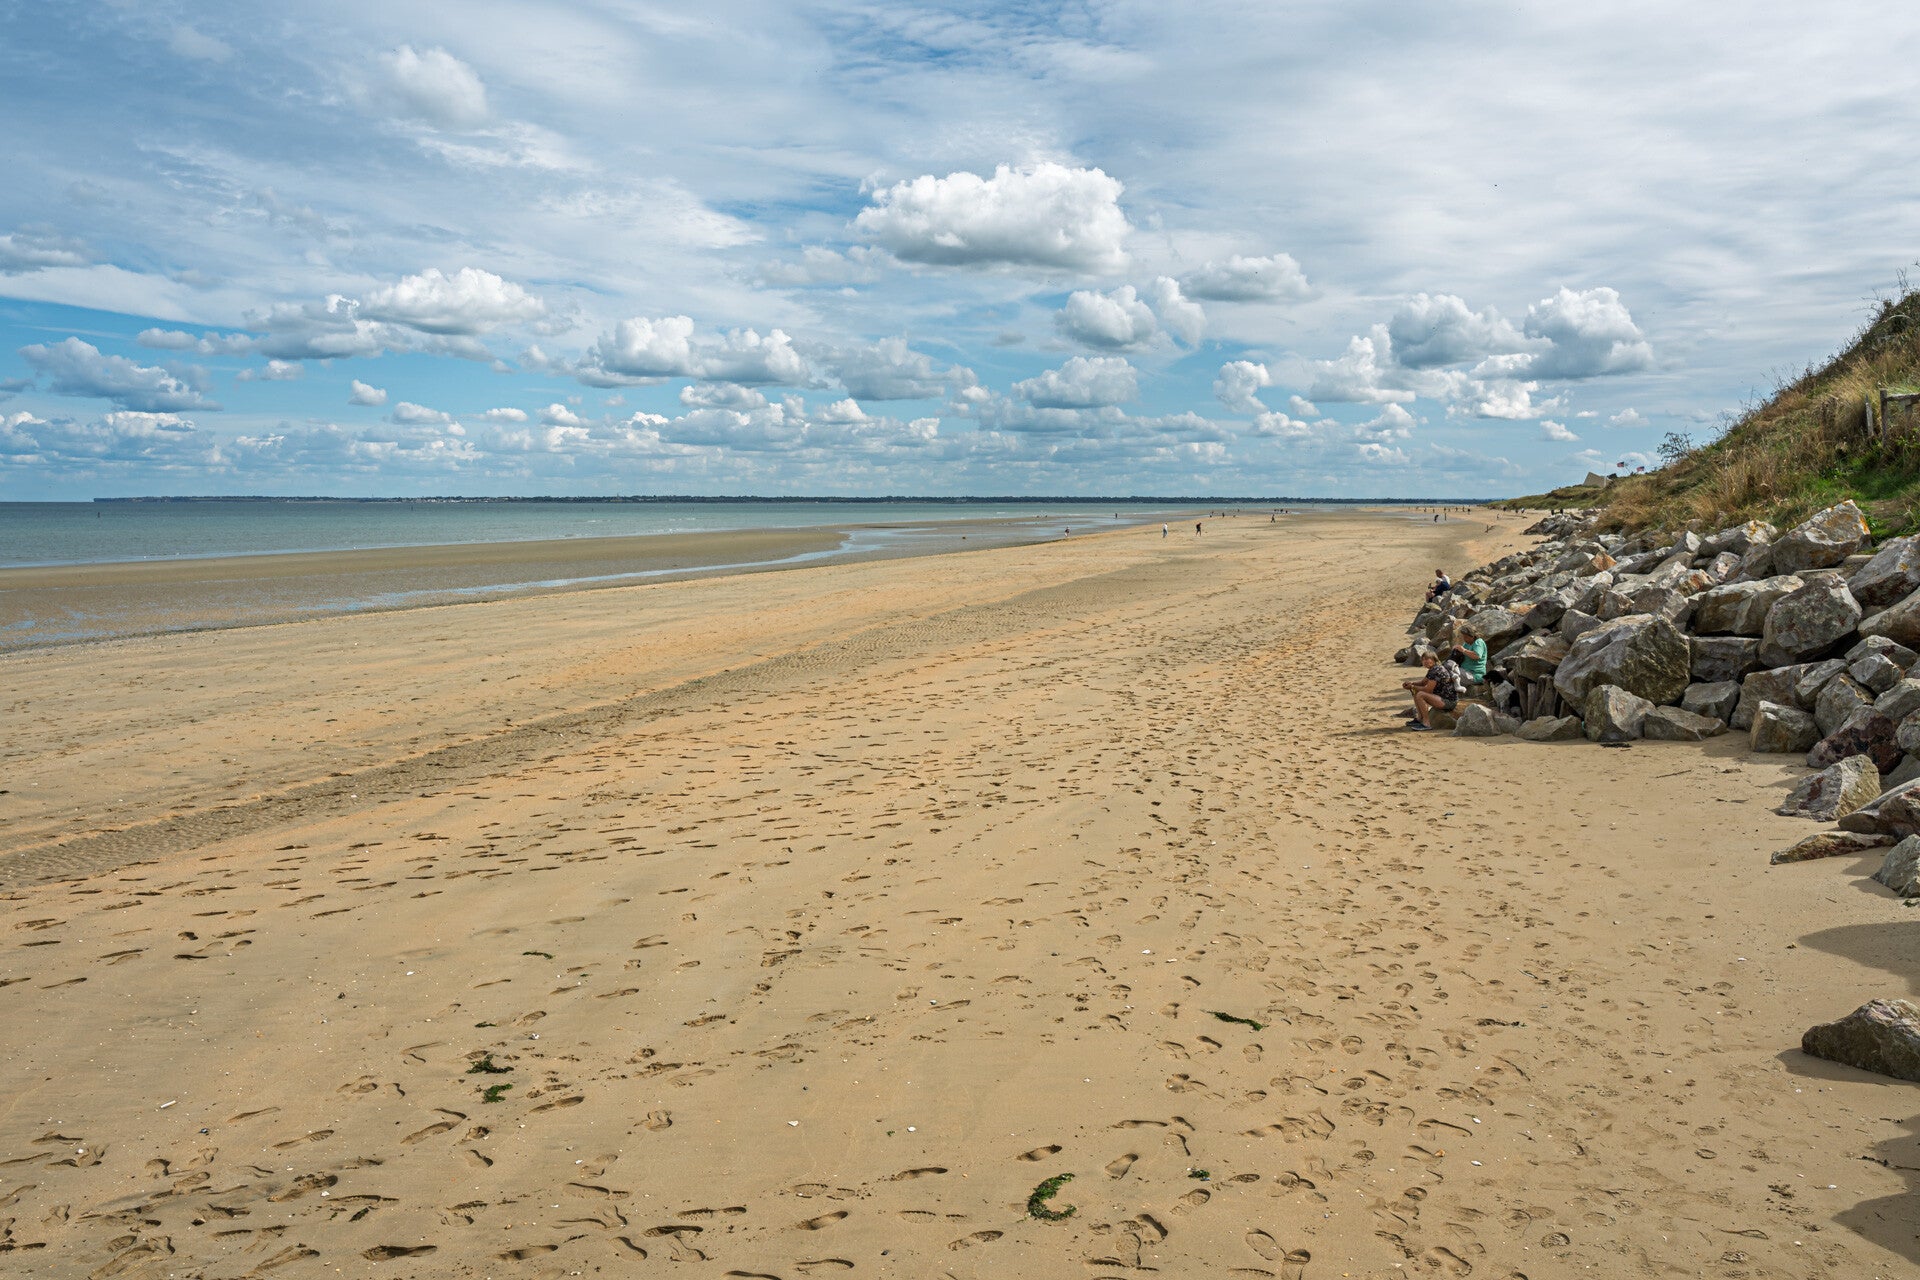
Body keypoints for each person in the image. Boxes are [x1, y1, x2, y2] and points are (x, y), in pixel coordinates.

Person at [1403, 650, 1463, 730]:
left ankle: (1426, 723)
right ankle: (1420, 718)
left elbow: (1428, 690)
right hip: (1441, 698)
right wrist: (1411, 683)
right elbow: (1423, 682)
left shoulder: (1437, 670)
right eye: (1423, 660)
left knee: (1421, 694)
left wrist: (1412, 686)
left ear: (1434, 659)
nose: (1425, 661)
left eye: (1427, 659)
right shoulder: (1433, 669)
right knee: (1416, 691)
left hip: (1448, 701)